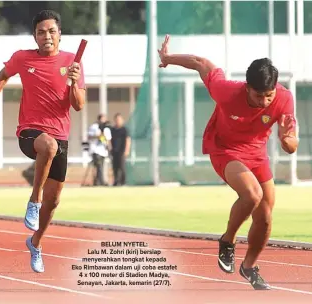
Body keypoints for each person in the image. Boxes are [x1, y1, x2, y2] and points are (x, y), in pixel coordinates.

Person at [157, 35, 298, 290]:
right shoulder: (226, 90)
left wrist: (287, 138)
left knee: (265, 217)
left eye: (269, 95)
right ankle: (227, 240)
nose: (264, 102)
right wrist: (168, 59)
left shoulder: (284, 99)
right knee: (252, 195)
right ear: (247, 87)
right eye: (258, 96)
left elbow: (290, 146)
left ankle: (249, 267)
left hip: (257, 155)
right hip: (224, 149)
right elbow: (202, 63)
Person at [0, 10, 86, 273]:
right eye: (41, 32)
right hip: (29, 133)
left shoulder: (71, 63)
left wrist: (74, 83)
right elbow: (2, 76)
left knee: (53, 202)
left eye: (51, 31)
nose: (46, 36)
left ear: (59, 34)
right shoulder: (22, 58)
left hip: (61, 134)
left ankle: (36, 242)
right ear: (35, 36)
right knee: (48, 146)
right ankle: (33, 201)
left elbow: (78, 105)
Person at [87, 114, 112, 186]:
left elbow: (108, 140)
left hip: (103, 151)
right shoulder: (94, 127)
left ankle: (99, 181)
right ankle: (100, 182)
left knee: (102, 166)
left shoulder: (106, 129)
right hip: (95, 150)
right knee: (98, 166)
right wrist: (99, 135)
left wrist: (109, 147)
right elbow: (89, 136)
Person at [110, 113, 131, 186]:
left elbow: (128, 140)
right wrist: (110, 148)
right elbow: (110, 140)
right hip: (114, 151)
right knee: (115, 167)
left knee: (122, 167)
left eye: (119, 119)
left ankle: (123, 182)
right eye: (116, 120)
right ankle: (116, 181)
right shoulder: (112, 130)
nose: (117, 121)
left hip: (122, 151)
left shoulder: (124, 129)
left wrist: (127, 150)